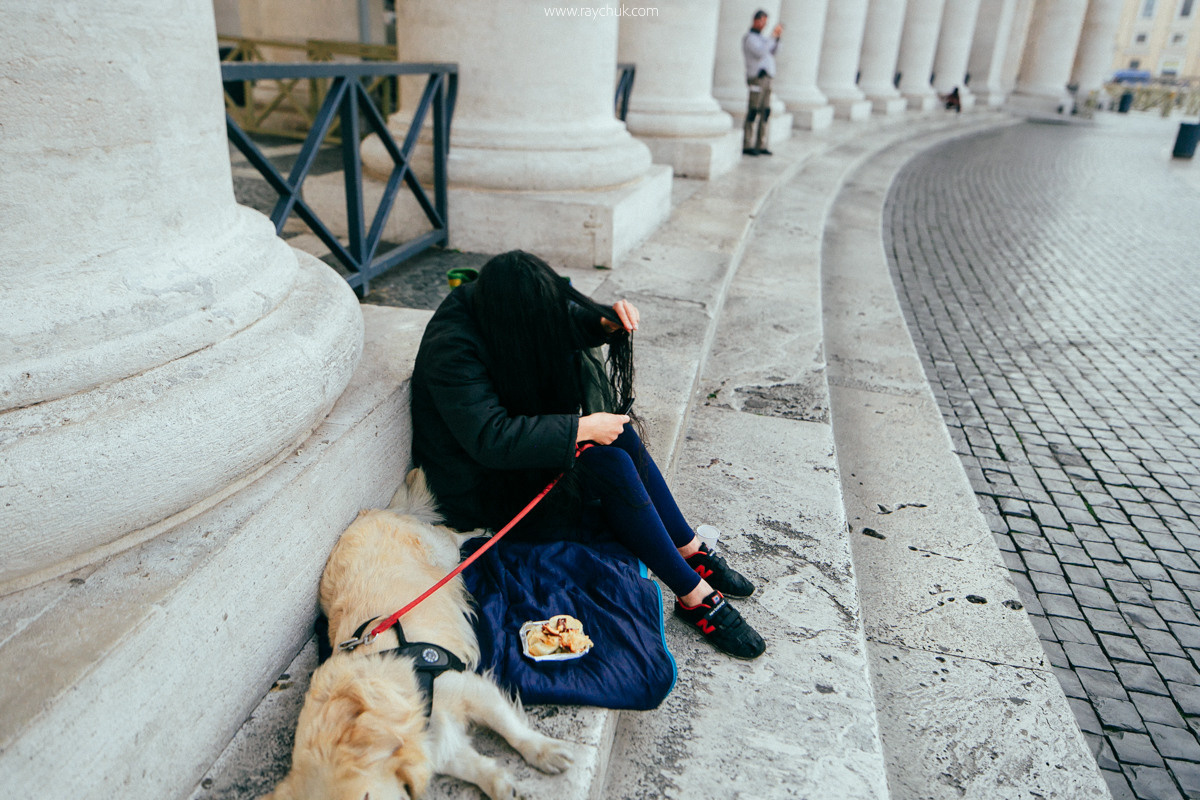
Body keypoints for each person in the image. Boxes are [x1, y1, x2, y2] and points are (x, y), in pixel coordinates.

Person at [410, 251, 766, 660]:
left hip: (507, 463)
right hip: (474, 490)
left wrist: (603, 322)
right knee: (610, 463)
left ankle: (688, 549)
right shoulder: (451, 349)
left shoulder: (500, 303)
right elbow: (491, 437)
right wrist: (581, 428)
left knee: (623, 439)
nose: (547, 328)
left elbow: (555, 320)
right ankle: (694, 596)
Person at [742, 9, 783, 156]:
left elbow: (773, 52)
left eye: (765, 21)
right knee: (753, 110)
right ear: (756, 20)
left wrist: (777, 39)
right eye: (762, 21)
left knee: (765, 111)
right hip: (756, 78)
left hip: (767, 78)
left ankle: (761, 144)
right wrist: (772, 37)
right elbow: (760, 52)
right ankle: (748, 143)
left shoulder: (764, 39)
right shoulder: (750, 38)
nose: (764, 24)